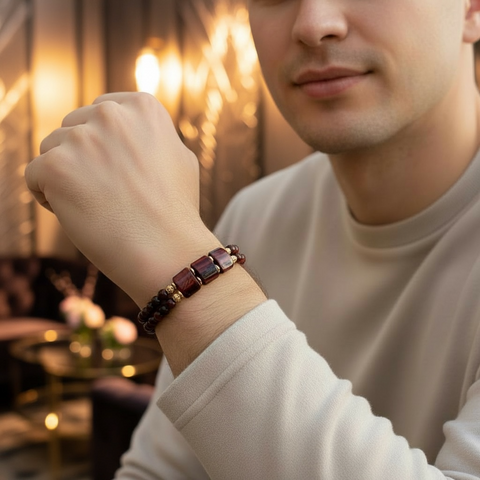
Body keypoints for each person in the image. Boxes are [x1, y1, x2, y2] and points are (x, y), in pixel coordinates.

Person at [26, 0, 480, 478]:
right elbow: (160, 472)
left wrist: (189, 270)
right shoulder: (256, 212)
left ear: (471, 9)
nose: (313, 24)